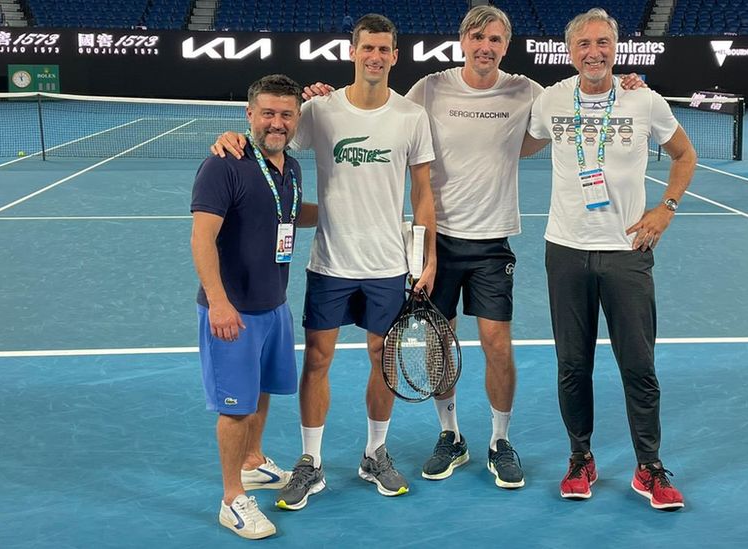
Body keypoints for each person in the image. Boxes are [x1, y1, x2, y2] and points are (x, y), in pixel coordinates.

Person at [250, 6, 647, 491]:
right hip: (421, 244)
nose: (486, 45)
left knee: (496, 346)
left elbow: (577, 100)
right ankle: (449, 435)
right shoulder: (427, 91)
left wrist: (626, 85)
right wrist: (244, 133)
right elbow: (309, 128)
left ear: (506, 45)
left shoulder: (526, 92)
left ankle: (498, 441)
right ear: (463, 41)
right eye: (478, 36)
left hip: (489, 240)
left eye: (496, 39)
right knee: (437, 347)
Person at [213, 13, 437, 510]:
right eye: (366, 48)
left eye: (384, 49)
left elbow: (422, 190)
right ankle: (310, 463)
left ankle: (374, 452)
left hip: (386, 264)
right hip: (330, 262)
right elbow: (269, 141)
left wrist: (427, 256)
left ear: (394, 56)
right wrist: (232, 136)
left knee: (383, 359)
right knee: (317, 360)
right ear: (352, 53)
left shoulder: (410, 117)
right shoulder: (319, 111)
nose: (375, 57)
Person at [527, 8, 696, 510]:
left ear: (616, 47)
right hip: (566, 250)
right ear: (570, 50)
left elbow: (685, 155)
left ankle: (650, 467)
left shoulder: (644, 99)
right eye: (584, 44)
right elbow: (513, 145)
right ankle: (581, 458)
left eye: (603, 42)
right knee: (572, 366)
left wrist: (665, 209)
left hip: (628, 252)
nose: (594, 52)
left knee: (639, 366)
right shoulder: (551, 100)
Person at [190, 73, 317, 539]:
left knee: (262, 392)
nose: (276, 122)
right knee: (236, 407)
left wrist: (350, 211)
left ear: (297, 119)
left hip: (273, 305)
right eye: (268, 113)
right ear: (249, 115)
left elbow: (292, 213)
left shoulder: (293, 168)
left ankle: (251, 462)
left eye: (286, 114)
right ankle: (231, 499)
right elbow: (202, 238)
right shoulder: (224, 165)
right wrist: (220, 304)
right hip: (234, 311)